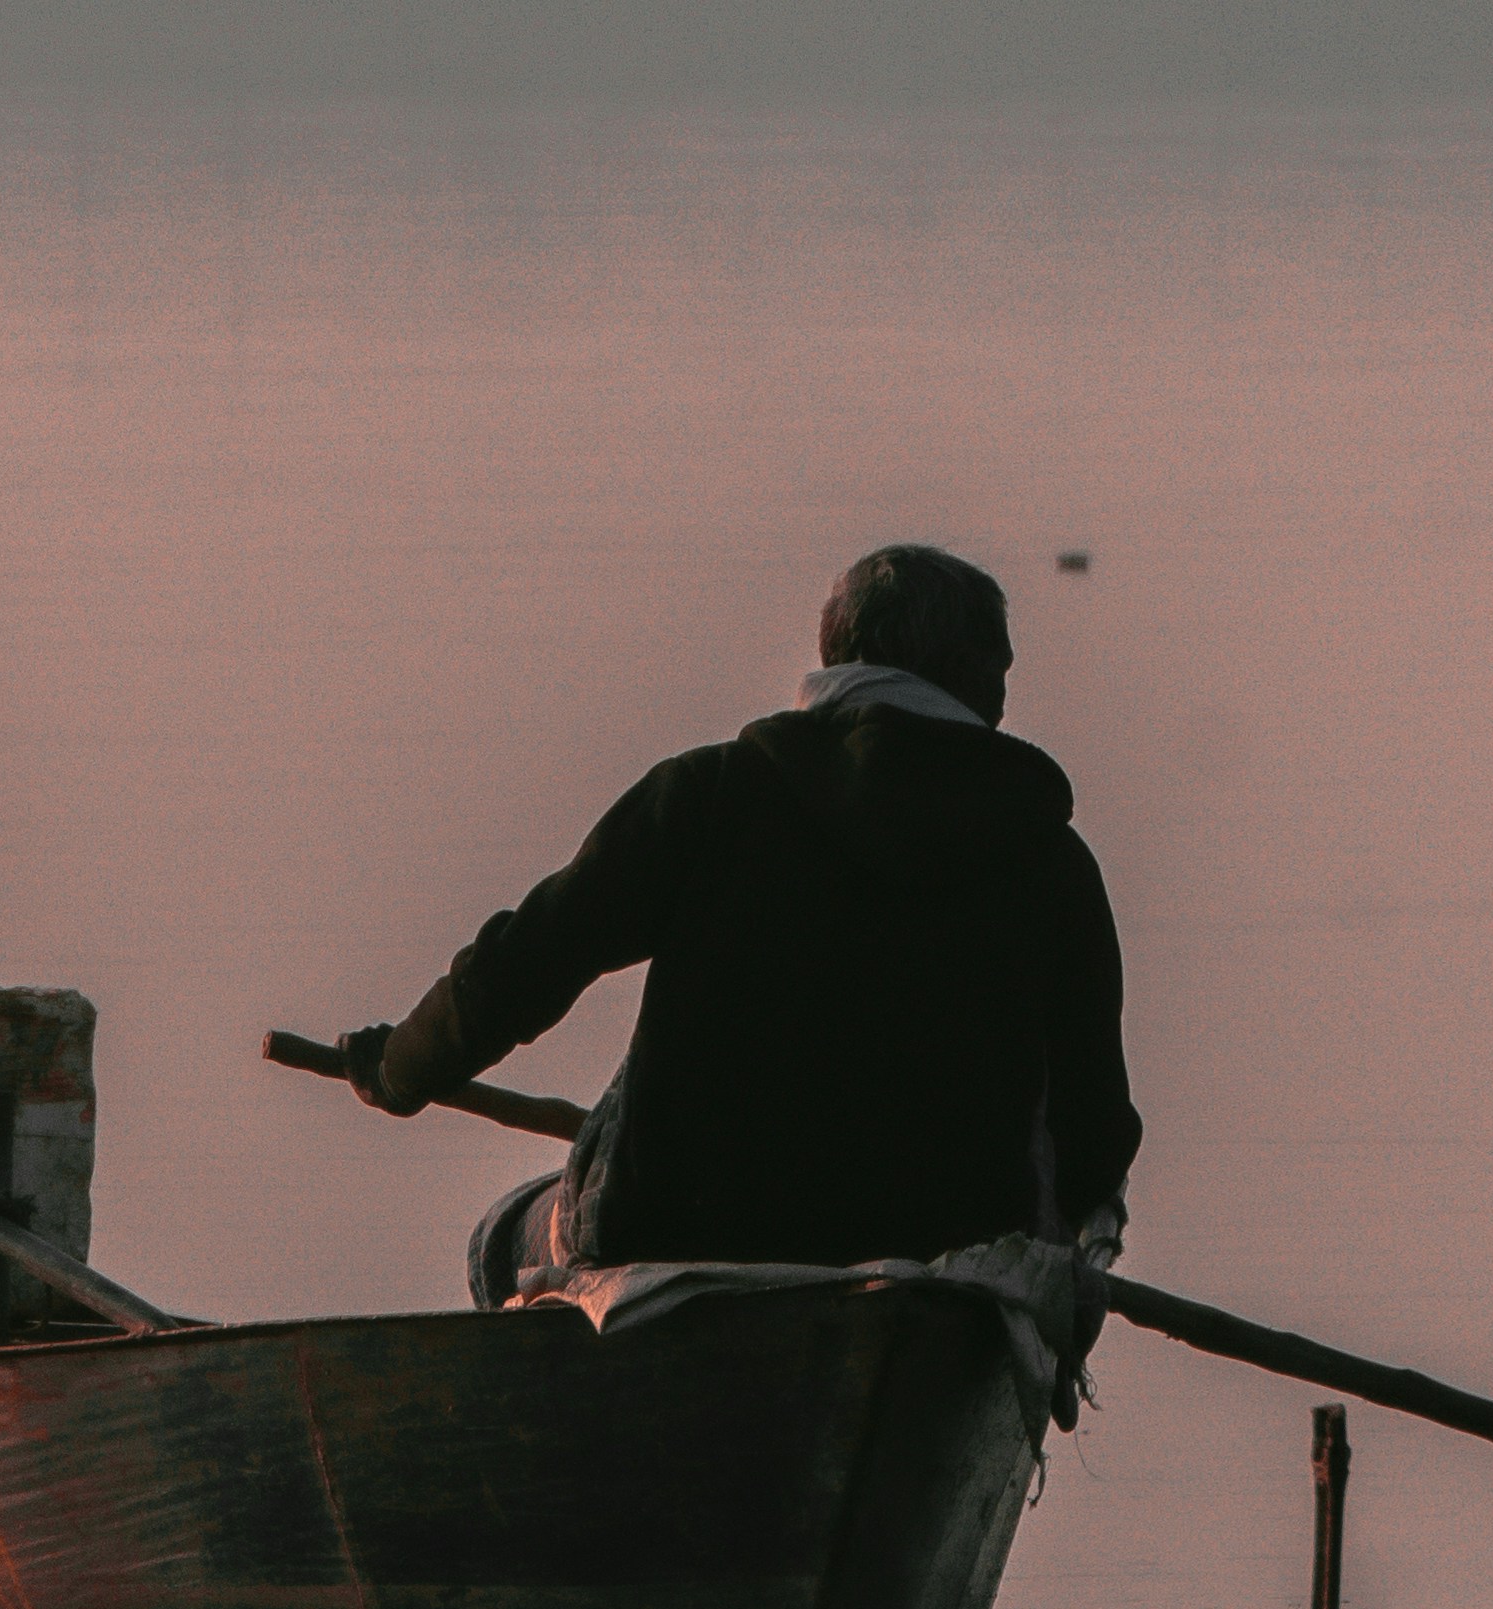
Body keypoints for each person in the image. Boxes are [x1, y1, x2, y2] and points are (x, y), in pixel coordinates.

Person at [337, 543, 1141, 1317]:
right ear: (981, 688)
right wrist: (1056, 1267)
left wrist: (401, 1068)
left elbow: (521, 969)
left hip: (677, 1229)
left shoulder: (709, 796)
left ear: (834, 654)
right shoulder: (1051, 864)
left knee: (498, 1244)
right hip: (940, 1262)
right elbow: (1095, 1138)